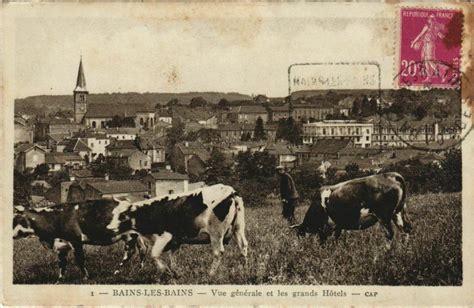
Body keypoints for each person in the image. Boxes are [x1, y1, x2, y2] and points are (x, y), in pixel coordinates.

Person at [410, 14, 446, 82]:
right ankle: (429, 78)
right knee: (426, 61)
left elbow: (420, 35)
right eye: (430, 19)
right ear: (428, 20)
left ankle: (442, 73)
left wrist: (413, 43)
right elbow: (440, 36)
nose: (431, 20)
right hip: (426, 45)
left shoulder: (431, 27)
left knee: (430, 60)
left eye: (432, 19)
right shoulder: (433, 27)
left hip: (430, 44)